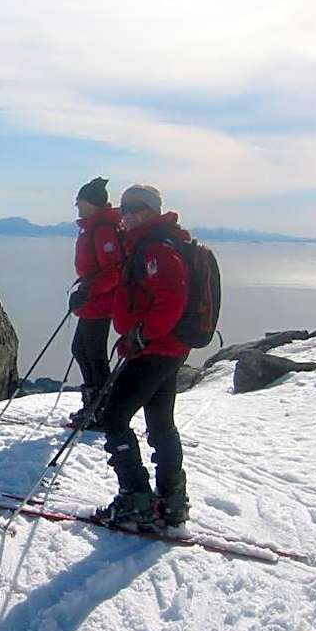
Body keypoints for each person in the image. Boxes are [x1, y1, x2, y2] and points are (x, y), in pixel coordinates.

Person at [95, 184, 191, 528]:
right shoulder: (154, 244)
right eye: (125, 209)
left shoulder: (156, 250)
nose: (130, 215)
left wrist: (141, 333)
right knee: (161, 422)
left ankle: (135, 497)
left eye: (138, 208)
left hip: (155, 349)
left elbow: (172, 299)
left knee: (114, 414)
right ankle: (171, 501)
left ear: (153, 210)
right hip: (167, 349)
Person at [68, 177, 123, 429]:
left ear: (92, 203)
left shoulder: (102, 230)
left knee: (93, 353)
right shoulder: (94, 227)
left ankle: (101, 409)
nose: (77, 204)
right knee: (82, 350)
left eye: (81, 200)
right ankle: (95, 406)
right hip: (93, 300)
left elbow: (114, 271)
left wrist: (88, 290)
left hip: (100, 303)